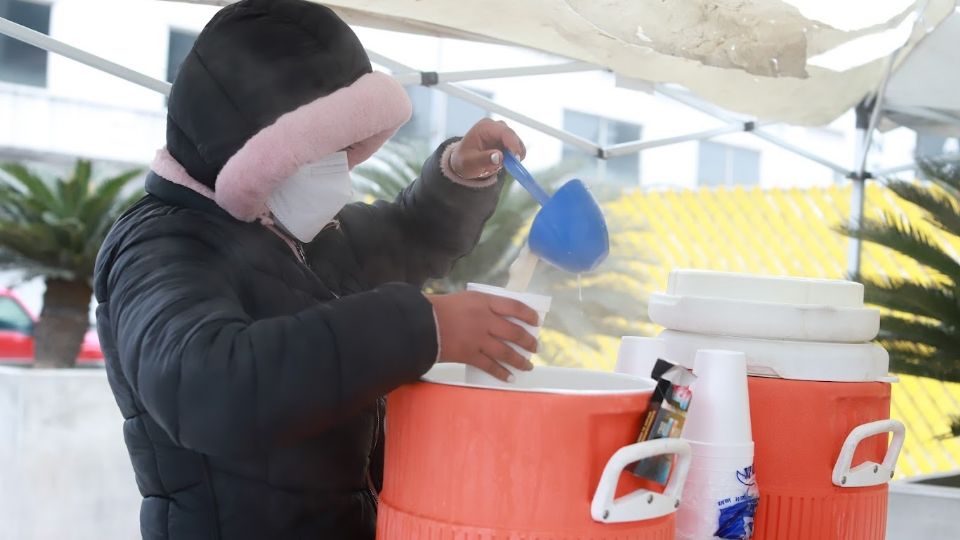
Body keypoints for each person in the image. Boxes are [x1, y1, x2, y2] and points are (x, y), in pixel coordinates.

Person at [93, 1, 539, 538]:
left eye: (347, 148)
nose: (340, 170)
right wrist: (423, 328)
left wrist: (458, 176)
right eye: (320, 148)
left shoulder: (296, 227)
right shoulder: (161, 243)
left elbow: (408, 238)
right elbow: (206, 386)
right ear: (251, 148)